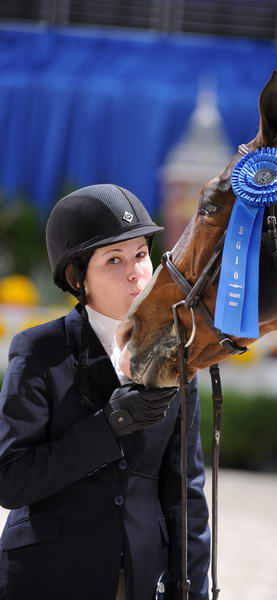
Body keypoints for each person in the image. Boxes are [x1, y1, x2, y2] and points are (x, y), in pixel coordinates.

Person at [0, 184, 210, 600]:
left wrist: (193, 590)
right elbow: (11, 483)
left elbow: (185, 493)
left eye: (139, 255)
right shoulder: (40, 351)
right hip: (47, 575)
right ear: (79, 277)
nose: (136, 272)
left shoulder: (176, 359)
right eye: (114, 260)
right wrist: (111, 425)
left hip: (138, 578)